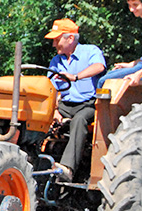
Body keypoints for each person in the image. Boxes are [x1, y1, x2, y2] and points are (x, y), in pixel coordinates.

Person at [44, 18, 106, 182]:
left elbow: (99, 67)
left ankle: (67, 168)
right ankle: (39, 162)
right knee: (42, 117)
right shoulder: (56, 61)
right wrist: (55, 109)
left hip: (88, 105)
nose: (53, 45)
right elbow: (49, 88)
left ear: (70, 38)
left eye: (57, 40)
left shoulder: (90, 51)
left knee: (79, 120)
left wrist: (75, 77)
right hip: (64, 105)